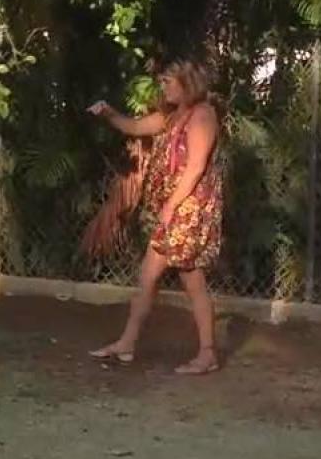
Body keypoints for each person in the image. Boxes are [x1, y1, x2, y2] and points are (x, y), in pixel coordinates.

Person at [85, 60, 224, 375]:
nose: (164, 87)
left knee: (191, 278)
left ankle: (207, 353)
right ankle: (127, 343)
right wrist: (108, 113)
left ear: (187, 83)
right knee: (149, 277)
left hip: (189, 208)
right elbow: (135, 127)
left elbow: (196, 168)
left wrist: (170, 206)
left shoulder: (202, 115)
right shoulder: (172, 116)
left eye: (168, 82)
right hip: (175, 208)